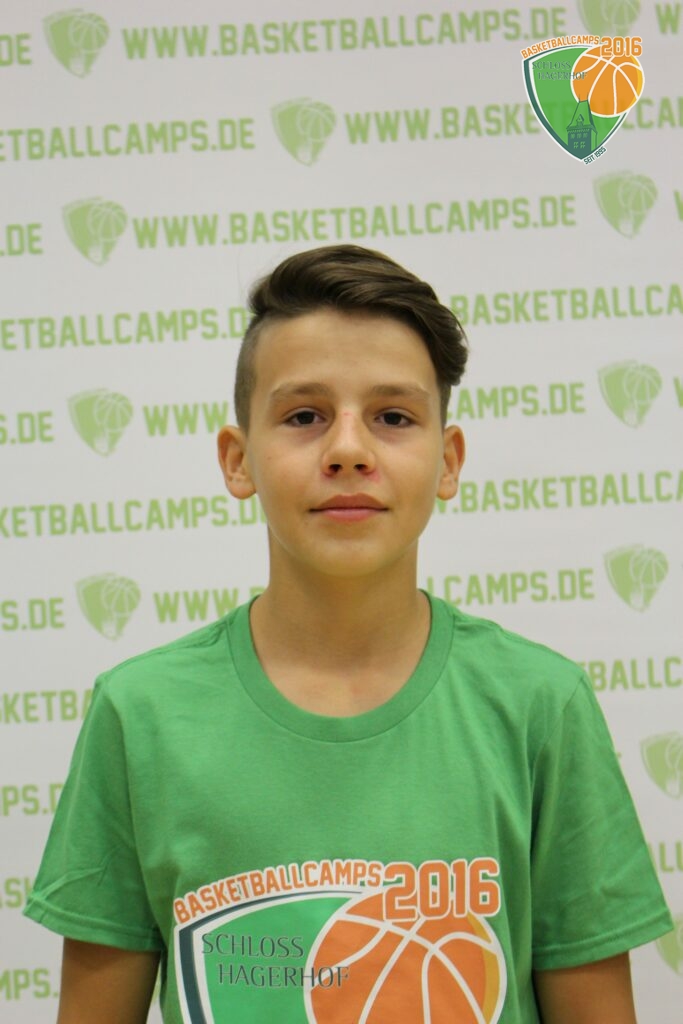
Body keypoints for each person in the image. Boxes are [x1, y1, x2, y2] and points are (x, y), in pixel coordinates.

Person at [25, 245, 672, 1024]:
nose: (347, 450)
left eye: (393, 417)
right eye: (304, 416)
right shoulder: (140, 715)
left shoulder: (541, 704)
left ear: (447, 460)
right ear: (237, 460)